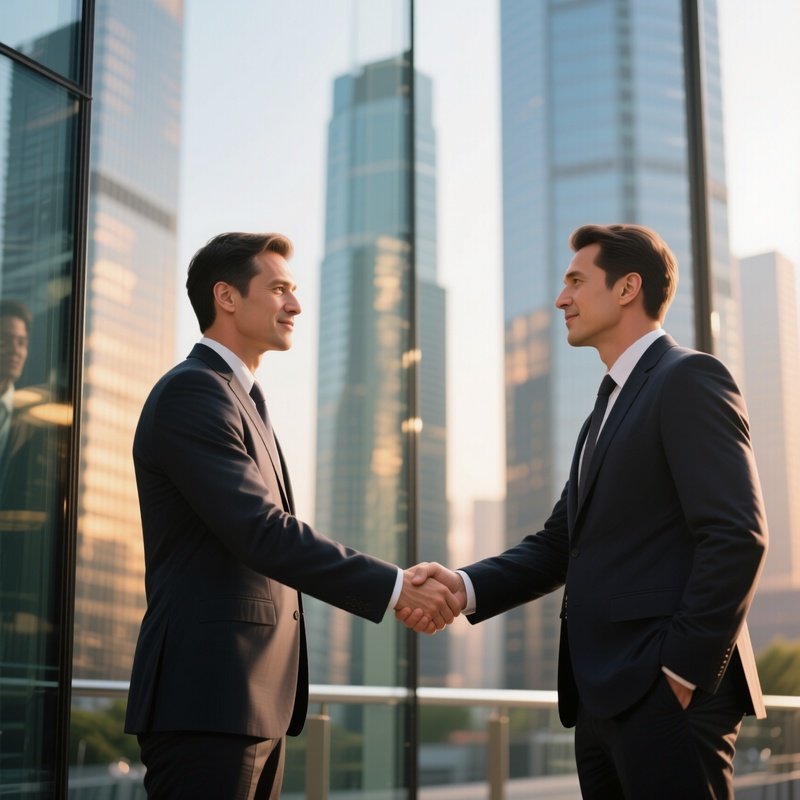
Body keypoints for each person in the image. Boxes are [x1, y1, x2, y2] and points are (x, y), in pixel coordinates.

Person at [401, 224, 768, 798]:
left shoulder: (689, 377)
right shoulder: (605, 408)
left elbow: (737, 534)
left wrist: (681, 672)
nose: (560, 298)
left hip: (666, 693)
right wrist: (463, 585)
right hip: (600, 699)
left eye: (576, 280)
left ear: (627, 289)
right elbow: (558, 544)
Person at [124, 232, 461, 799]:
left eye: (294, 290)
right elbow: (261, 532)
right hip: (208, 697)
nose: (296, 305)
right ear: (226, 297)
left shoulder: (242, 398)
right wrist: (397, 585)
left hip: (251, 704)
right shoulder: (194, 392)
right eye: (279, 288)